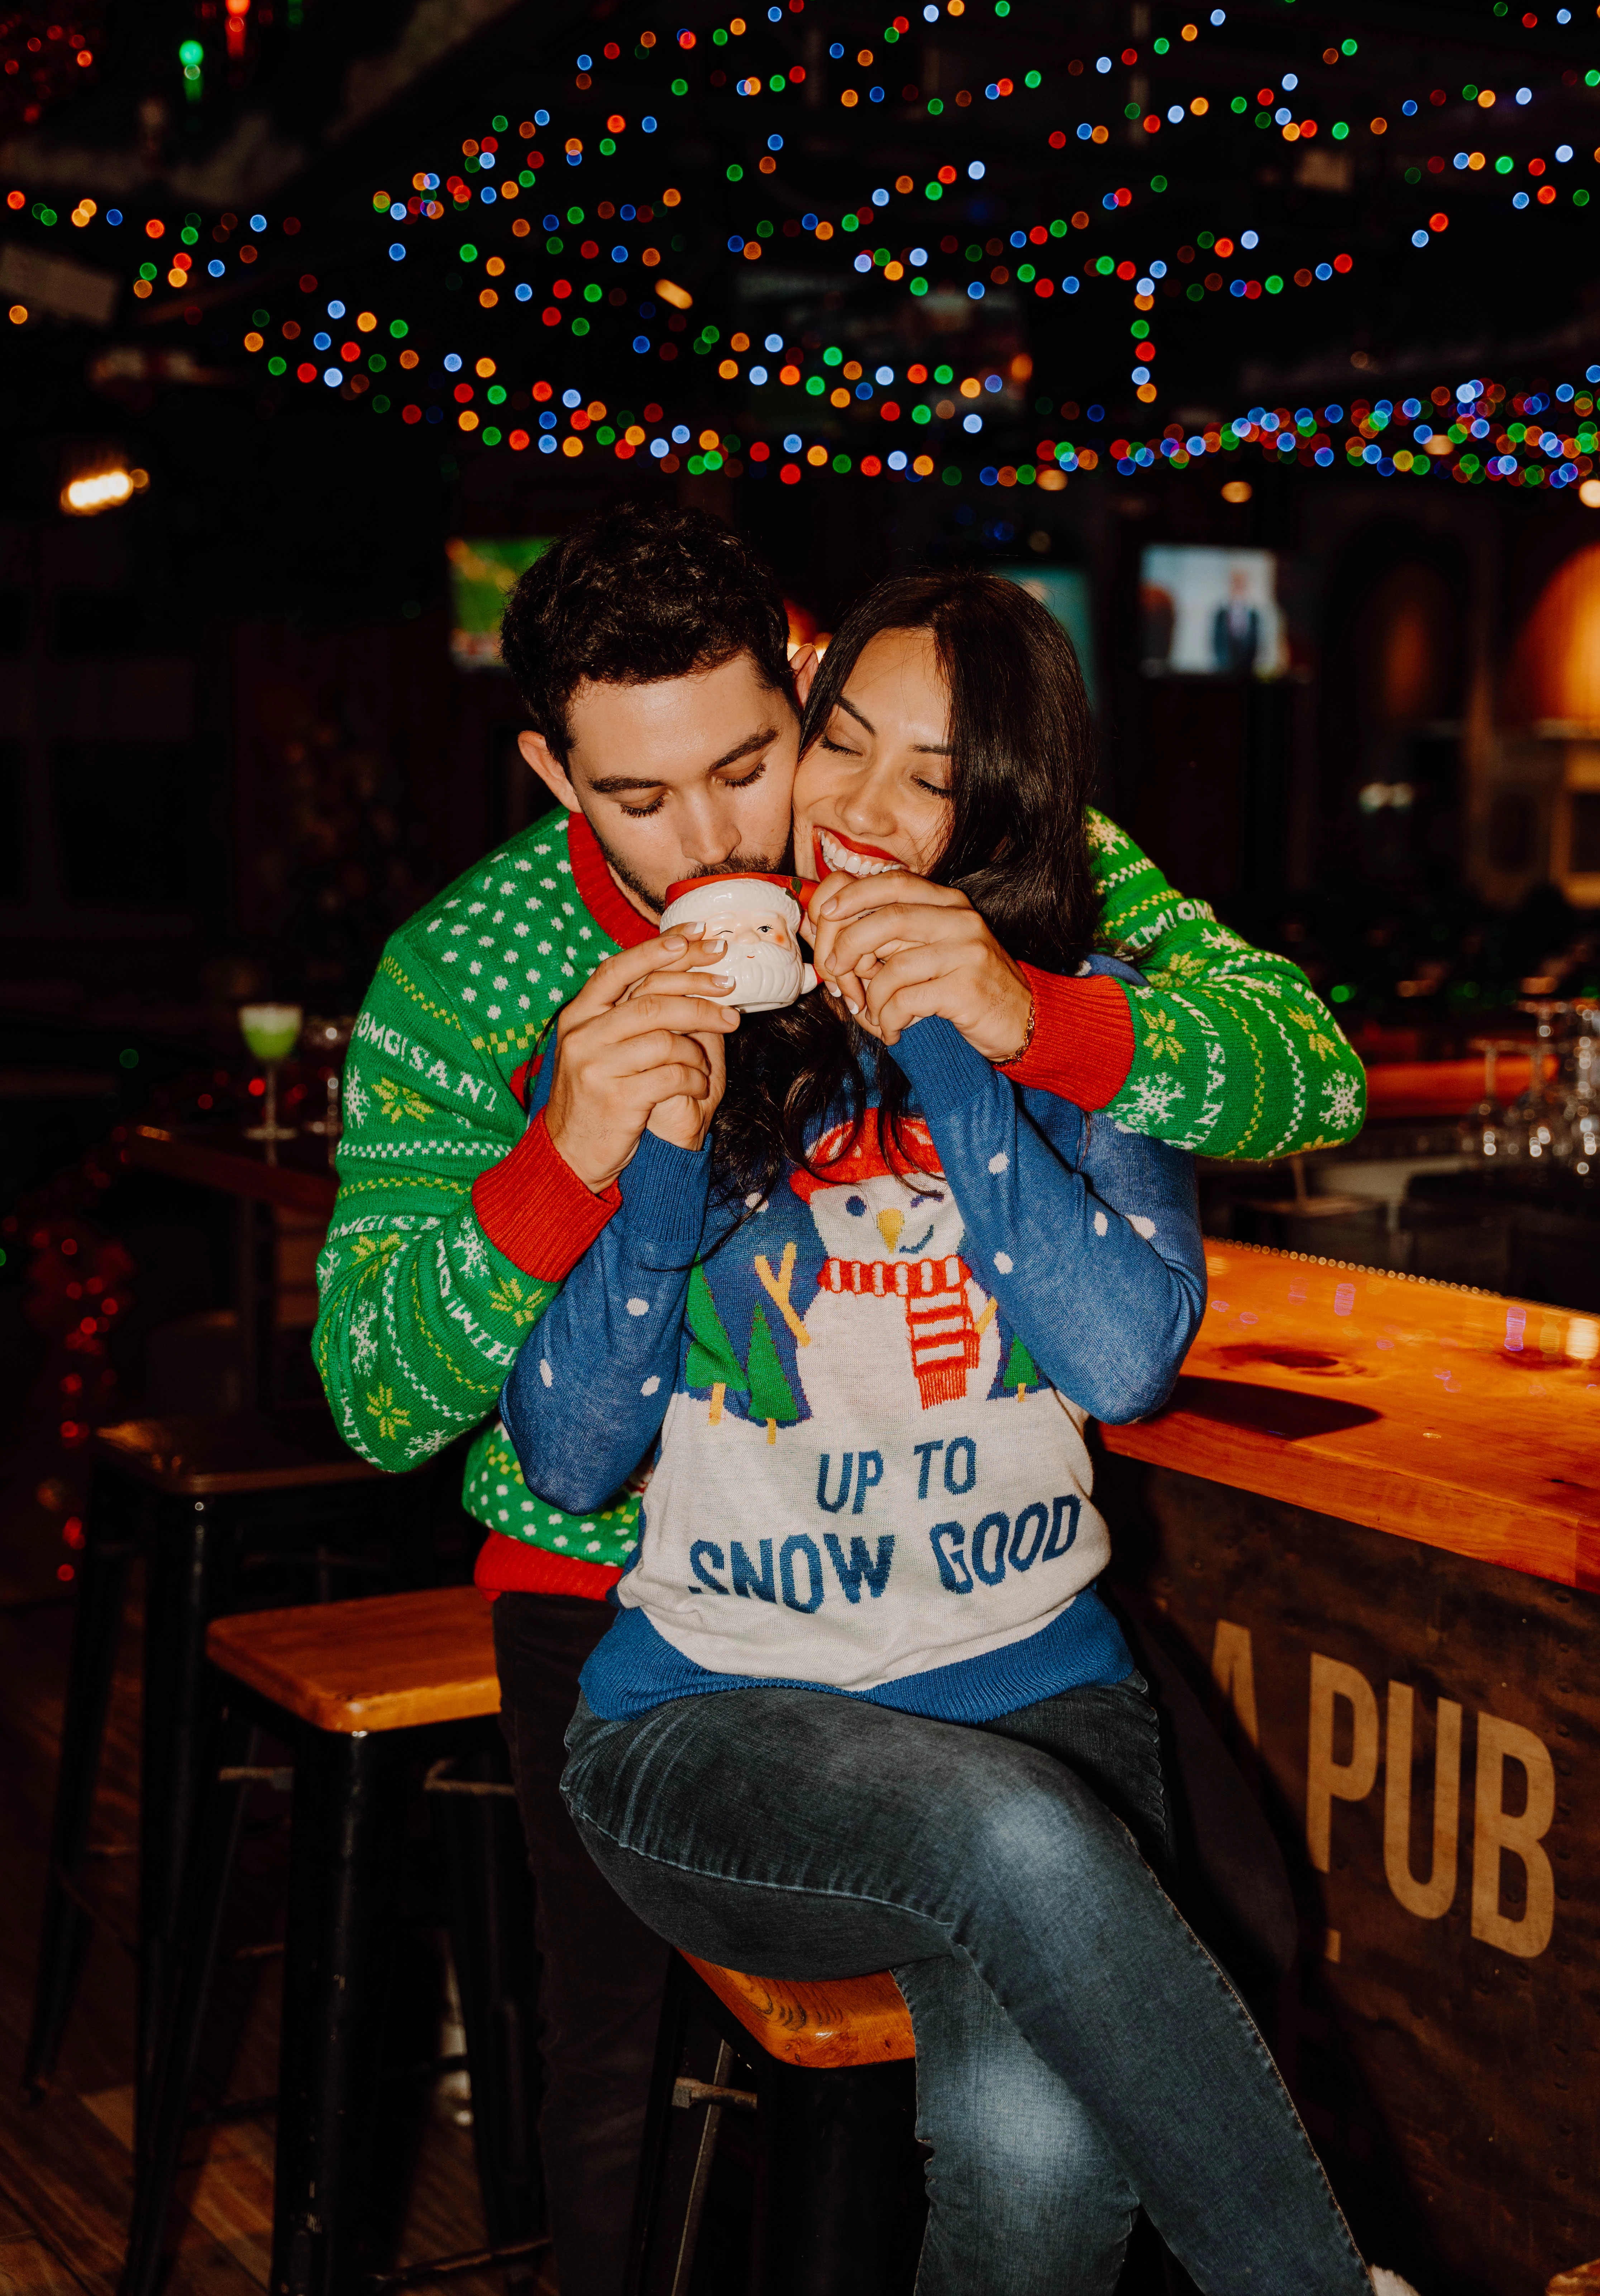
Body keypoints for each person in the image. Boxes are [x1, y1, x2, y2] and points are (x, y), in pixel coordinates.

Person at [314, 502, 1367, 2296]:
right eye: (640, 799)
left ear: (806, 694)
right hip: (624, 1595)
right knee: (612, 2107)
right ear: (549, 771)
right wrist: (560, 1158)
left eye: (749, 762)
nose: (723, 839)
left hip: (973, 1593)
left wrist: (1048, 1022)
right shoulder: (464, 969)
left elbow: (1310, 1076)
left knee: (1198, 1947)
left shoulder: (921, 822)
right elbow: (377, 1397)